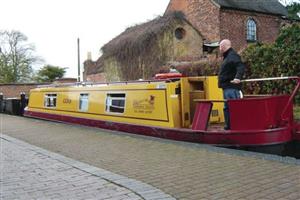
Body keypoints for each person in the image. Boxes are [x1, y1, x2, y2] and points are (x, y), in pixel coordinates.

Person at [218, 39, 245, 130]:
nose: (219, 48)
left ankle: (235, 127)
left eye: (220, 46)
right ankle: (229, 126)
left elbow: (240, 66)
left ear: (224, 46)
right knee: (228, 107)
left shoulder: (232, 56)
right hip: (227, 87)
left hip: (231, 88)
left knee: (233, 107)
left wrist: (238, 77)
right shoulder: (228, 57)